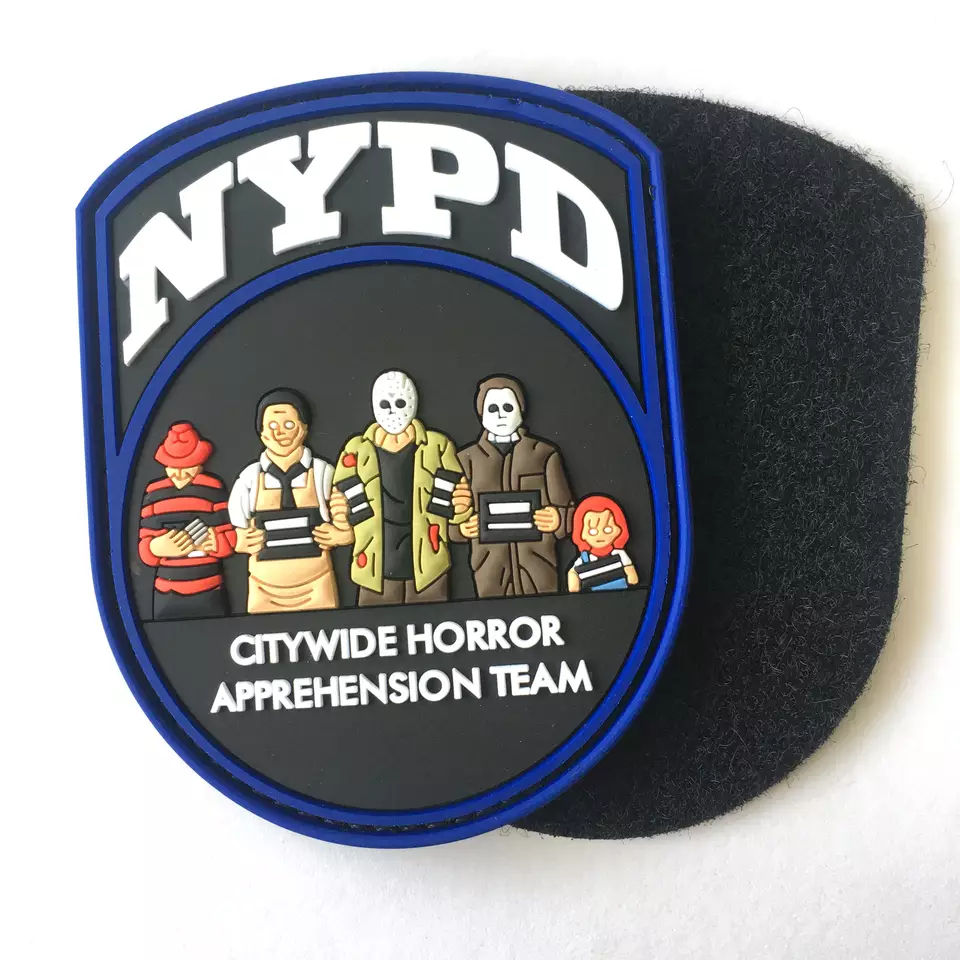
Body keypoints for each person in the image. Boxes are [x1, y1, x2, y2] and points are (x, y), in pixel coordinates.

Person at [326, 370, 473, 606]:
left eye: (400, 403)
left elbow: (458, 504)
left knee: (434, 618)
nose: (393, 411)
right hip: (374, 565)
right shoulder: (356, 449)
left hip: (428, 564)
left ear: (413, 403)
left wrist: (461, 507)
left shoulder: (437, 446)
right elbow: (340, 498)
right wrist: (341, 517)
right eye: (385, 404)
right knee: (373, 623)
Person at [453, 375, 575, 597]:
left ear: (521, 409)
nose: (500, 414)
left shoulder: (544, 454)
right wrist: (460, 527)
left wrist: (559, 519)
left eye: (508, 407)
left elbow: (569, 509)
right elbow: (448, 518)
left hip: (538, 565)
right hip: (489, 568)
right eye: (492, 408)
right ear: (481, 413)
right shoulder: (465, 459)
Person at [228, 388, 339, 613]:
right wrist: (237, 539)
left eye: (288, 424)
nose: (280, 432)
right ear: (261, 432)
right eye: (272, 425)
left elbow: (344, 511)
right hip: (264, 586)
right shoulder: (250, 478)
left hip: (316, 582)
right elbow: (234, 526)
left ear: (304, 427)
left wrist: (342, 533)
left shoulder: (323, 473)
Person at [138, 422, 235, 620]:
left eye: (188, 467)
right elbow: (145, 544)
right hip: (167, 589)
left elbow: (230, 534)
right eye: (173, 467)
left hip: (209, 586)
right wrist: (156, 547)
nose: (180, 475)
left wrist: (217, 542)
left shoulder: (213, 489)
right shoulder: (154, 493)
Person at [567, 494, 639, 592]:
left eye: (608, 529)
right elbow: (573, 572)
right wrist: (574, 580)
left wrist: (631, 575)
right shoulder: (585, 559)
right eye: (592, 531)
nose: (600, 535)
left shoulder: (619, 553)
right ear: (581, 534)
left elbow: (629, 570)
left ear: (619, 529)